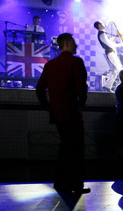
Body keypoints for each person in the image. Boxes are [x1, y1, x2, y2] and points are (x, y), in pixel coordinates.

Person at [35, 33, 90, 195]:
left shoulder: (51, 64)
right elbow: (81, 88)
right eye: (73, 42)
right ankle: (76, 185)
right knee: (76, 149)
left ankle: (60, 183)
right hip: (72, 112)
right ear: (66, 43)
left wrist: (48, 107)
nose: (76, 45)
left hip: (57, 114)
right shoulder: (76, 62)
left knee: (64, 147)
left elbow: (39, 89)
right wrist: (82, 104)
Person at [94, 20, 123, 92]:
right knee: (119, 69)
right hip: (111, 53)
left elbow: (110, 42)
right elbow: (110, 44)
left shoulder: (103, 34)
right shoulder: (102, 34)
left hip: (110, 53)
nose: (103, 24)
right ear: (99, 26)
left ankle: (107, 86)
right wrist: (121, 44)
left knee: (115, 71)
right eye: (101, 23)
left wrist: (116, 37)